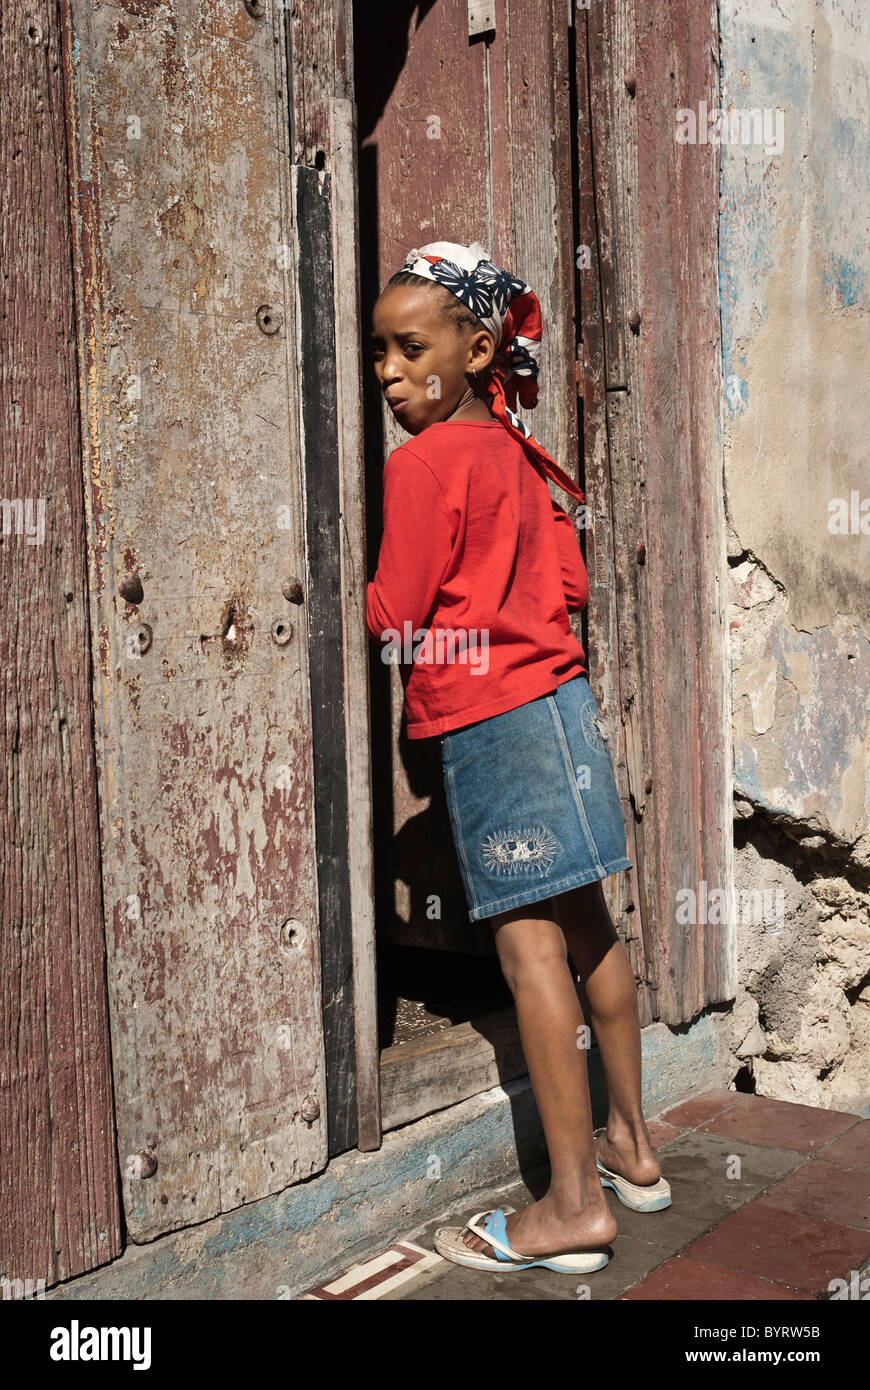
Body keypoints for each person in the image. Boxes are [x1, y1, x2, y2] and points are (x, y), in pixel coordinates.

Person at [366, 241, 671, 1275]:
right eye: (380, 353)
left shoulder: (420, 466)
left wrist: (327, 593)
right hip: (564, 708)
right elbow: (575, 591)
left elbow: (396, 616)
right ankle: (634, 1144)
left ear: (479, 345)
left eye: (412, 348)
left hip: (495, 726)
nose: (391, 372)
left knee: (527, 950)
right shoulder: (518, 454)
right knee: (590, 929)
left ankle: (572, 1205)